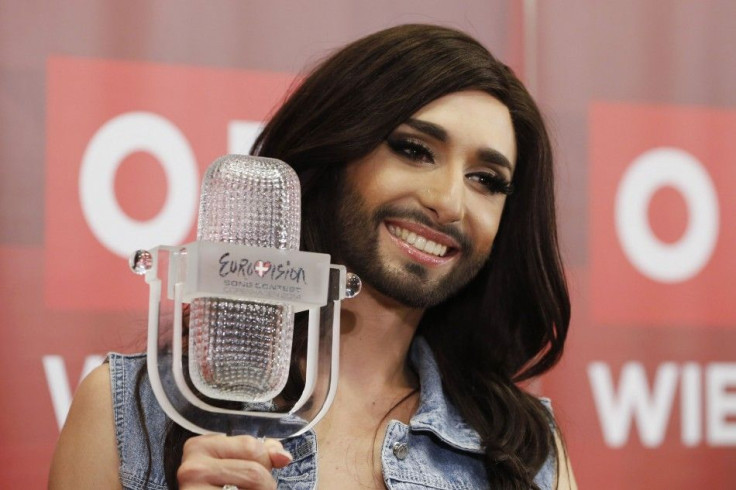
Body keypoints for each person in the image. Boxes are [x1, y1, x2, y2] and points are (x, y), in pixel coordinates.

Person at [49, 24, 576, 489]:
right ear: (335, 153)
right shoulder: (132, 413)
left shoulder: (526, 452)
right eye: (414, 150)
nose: (448, 202)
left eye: (485, 180)